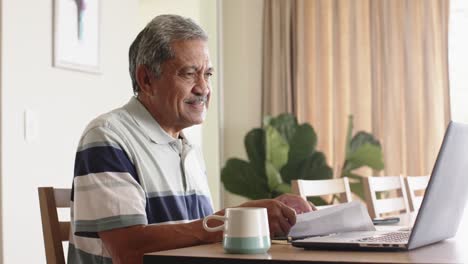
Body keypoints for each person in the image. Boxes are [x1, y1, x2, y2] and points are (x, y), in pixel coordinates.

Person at [68, 14, 314, 264]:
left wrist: (264, 216)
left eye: (207, 74)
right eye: (188, 74)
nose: (204, 88)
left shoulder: (187, 147)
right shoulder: (107, 137)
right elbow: (129, 250)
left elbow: (198, 240)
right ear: (146, 79)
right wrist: (230, 220)